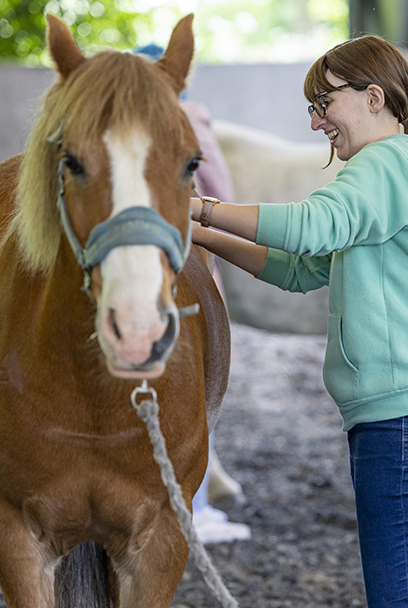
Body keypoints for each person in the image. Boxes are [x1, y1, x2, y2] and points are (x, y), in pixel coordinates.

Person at [186, 34, 408, 606]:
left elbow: (309, 225)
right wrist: (202, 237)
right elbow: (301, 269)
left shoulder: (385, 163)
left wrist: (199, 205)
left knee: (403, 593)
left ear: (374, 97)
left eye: (323, 104)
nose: (316, 122)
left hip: (400, 412)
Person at [136, 43, 250, 545]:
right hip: (186, 255)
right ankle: (195, 506)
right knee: (193, 386)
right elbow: (218, 185)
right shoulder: (188, 118)